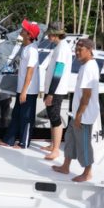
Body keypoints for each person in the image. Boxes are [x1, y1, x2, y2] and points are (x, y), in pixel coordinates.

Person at [53, 37, 99, 183]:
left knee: (83, 144)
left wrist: (79, 115)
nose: (77, 52)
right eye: (76, 49)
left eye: (80, 50)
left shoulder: (89, 68)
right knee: (70, 139)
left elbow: (87, 95)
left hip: (84, 115)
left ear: (89, 50)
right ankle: (65, 166)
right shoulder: (85, 65)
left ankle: (87, 172)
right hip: (78, 113)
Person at [0, 19, 41, 149]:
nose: (21, 30)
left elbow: (30, 72)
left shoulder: (32, 50)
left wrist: (24, 91)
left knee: (26, 117)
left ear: (28, 34)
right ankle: (8, 140)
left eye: (24, 29)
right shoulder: (26, 47)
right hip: (22, 89)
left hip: (28, 91)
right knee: (16, 114)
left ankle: (24, 143)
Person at [39, 22, 72, 161]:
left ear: (55, 35)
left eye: (49, 35)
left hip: (56, 90)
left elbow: (58, 71)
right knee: (52, 117)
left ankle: (56, 150)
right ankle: (53, 145)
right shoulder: (59, 46)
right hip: (53, 89)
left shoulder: (62, 48)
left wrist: (51, 93)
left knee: (55, 117)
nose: (48, 37)